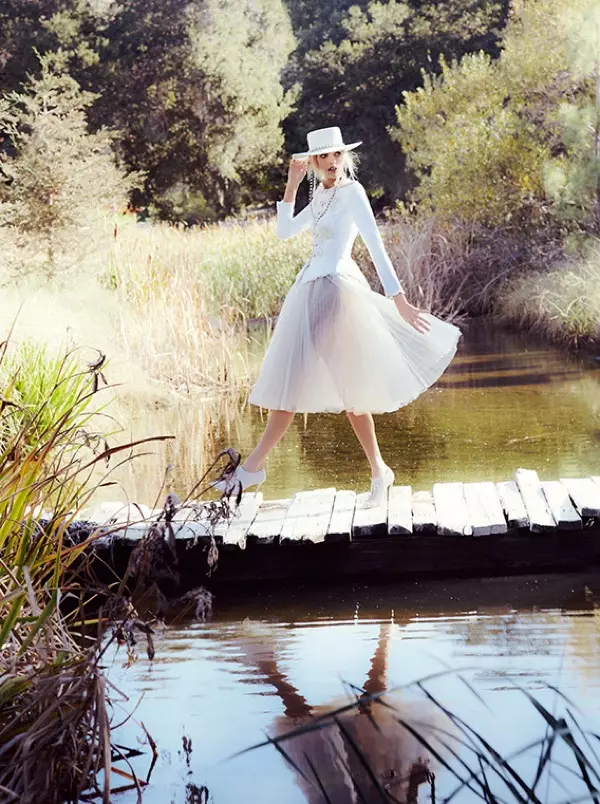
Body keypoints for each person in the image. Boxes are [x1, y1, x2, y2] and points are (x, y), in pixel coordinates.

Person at [217, 126, 460, 506]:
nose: (331, 162)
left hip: (338, 292)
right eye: (323, 157)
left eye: (336, 155)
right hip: (309, 293)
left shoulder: (352, 193)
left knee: (343, 391)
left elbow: (376, 247)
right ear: (314, 162)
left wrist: (399, 300)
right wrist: (291, 185)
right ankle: (259, 468)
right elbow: (284, 232)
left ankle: (260, 469)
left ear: (344, 157)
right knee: (297, 386)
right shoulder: (320, 196)